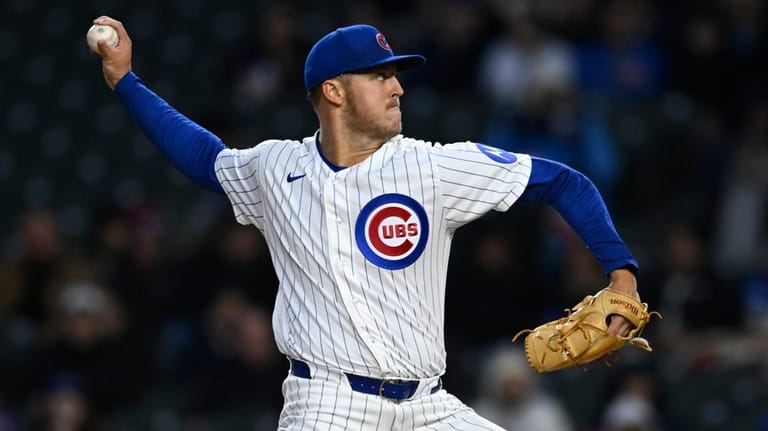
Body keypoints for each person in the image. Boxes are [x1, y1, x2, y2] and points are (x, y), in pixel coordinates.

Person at [91, 15, 644, 430]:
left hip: (429, 406)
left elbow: (564, 181)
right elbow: (201, 157)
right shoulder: (275, 167)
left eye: (396, 75)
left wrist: (621, 272)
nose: (398, 86)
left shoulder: (431, 166)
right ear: (334, 92)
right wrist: (126, 81)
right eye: (379, 76)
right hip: (327, 407)